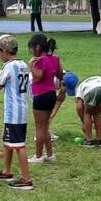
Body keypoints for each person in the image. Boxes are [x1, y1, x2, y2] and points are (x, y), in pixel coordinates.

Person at [0, 34, 34, 190]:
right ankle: (6, 171)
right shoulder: (23, 64)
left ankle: (26, 179)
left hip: (13, 111)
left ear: (4, 51)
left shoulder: (8, 66)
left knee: (18, 145)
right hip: (22, 109)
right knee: (8, 142)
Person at [27, 34, 62, 164]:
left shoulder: (39, 60)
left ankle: (38, 156)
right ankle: (49, 154)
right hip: (51, 94)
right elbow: (59, 74)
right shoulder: (55, 58)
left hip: (41, 95)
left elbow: (38, 77)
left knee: (39, 127)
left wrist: (31, 66)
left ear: (37, 47)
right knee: (45, 126)